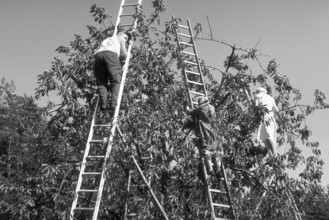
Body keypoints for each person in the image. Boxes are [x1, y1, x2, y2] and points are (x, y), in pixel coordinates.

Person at [93, 31, 132, 116]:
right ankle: (113, 105)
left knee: (101, 82)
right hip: (110, 55)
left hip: (98, 56)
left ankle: (103, 105)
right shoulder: (120, 39)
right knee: (116, 80)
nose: (125, 40)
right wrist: (128, 49)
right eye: (125, 38)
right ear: (120, 34)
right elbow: (124, 55)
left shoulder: (108, 39)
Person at [183, 96, 223, 176]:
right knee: (217, 151)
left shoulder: (198, 109)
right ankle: (218, 170)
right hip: (214, 130)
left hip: (205, 131)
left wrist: (186, 107)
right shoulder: (212, 108)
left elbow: (189, 112)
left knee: (206, 151)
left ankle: (210, 170)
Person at [254, 87, 279, 155]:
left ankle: (274, 154)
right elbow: (276, 110)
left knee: (267, 136)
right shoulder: (271, 98)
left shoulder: (258, 97)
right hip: (269, 118)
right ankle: (272, 155)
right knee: (265, 136)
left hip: (264, 117)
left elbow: (256, 107)